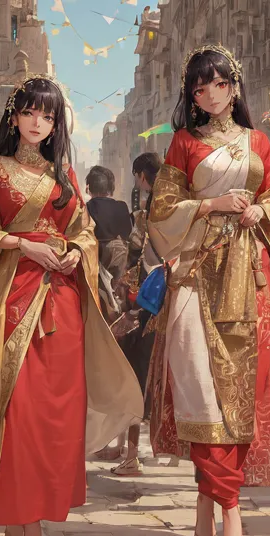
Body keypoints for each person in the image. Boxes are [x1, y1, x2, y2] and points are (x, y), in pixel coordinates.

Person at [0, 74, 142, 536]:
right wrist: (22, 244)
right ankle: (32, 534)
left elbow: (84, 230)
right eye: (31, 112)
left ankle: (26, 516)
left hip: (61, 305)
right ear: (14, 116)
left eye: (49, 115)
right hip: (12, 304)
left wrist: (76, 250)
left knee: (54, 421)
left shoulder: (64, 176)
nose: (39, 122)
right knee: (20, 418)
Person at [145, 45, 270, 536]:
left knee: (240, 396)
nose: (210, 95)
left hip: (249, 281)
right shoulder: (184, 143)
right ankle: (231, 511)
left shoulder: (259, 142)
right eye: (199, 88)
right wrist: (213, 204)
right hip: (194, 278)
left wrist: (260, 212)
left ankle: (210, 503)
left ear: (235, 86)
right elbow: (160, 210)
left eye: (219, 84)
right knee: (201, 394)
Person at [111, 152, 165, 476]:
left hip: (150, 302)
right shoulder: (173, 204)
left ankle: (130, 454)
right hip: (172, 298)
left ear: (142, 176)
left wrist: (126, 284)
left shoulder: (150, 211)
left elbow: (141, 255)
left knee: (134, 373)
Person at [86, 165, 132, 279]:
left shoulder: (86, 208)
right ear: (111, 188)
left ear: (89, 188)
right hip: (118, 264)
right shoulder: (121, 206)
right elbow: (128, 233)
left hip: (94, 263)